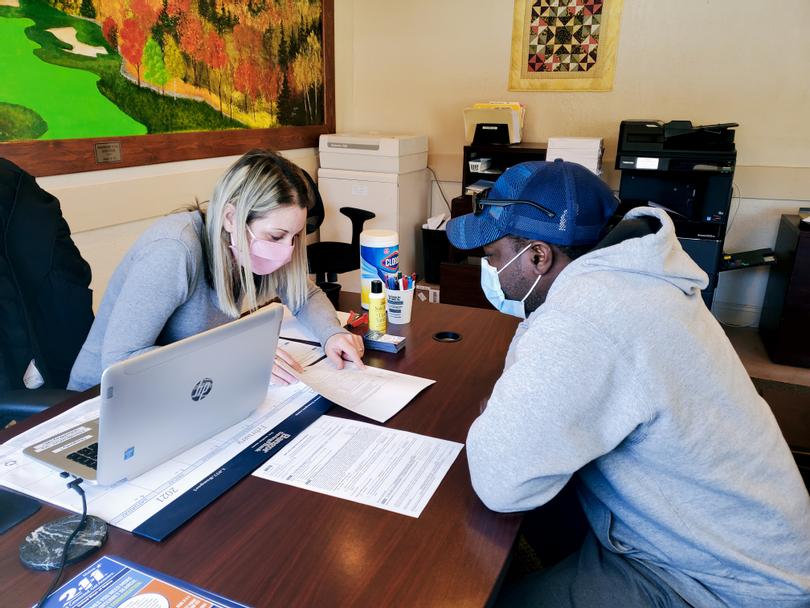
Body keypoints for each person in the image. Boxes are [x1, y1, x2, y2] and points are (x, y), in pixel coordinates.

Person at [445, 159, 810, 607]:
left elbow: (500, 482)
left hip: (715, 582)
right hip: (741, 541)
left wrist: (502, 418)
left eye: (493, 257)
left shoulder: (586, 314)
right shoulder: (634, 275)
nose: (491, 272)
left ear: (538, 255)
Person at [68, 149, 363, 391]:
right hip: (98, 402)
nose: (288, 251)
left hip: (184, 388)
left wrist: (332, 334)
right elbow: (121, 361)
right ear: (231, 218)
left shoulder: (247, 244)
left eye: (296, 236)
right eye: (276, 236)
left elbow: (304, 294)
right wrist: (233, 358)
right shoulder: (173, 250)